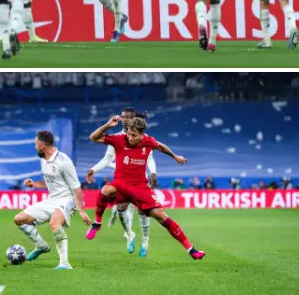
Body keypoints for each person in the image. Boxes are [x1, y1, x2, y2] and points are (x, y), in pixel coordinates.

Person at [86, 116, 205, 260]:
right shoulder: (119, 140)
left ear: (142, 134)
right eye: (129, 133)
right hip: (121, 185)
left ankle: (190, 249)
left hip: (140, 187)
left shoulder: (148, 142)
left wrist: (175, 157)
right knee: (106, 190)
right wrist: (108, 125)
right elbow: (93, 137)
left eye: (134, 135)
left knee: (161, 216)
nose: (130, 137)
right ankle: (97, 223)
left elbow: (161, 146)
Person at [12, 130, 91, 270]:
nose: (35, 147)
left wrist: (82, 211)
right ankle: (41, 246)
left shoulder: (64, 162)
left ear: (42, 146)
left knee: (55, 223)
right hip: (52, 200)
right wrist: (34, 184)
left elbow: (77, 188)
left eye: (36, 144)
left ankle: (64, 263)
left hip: (67, 199)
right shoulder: (44, 160)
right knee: (19, 219)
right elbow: (50, 181)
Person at [86, 107, 158, 257]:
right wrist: (94, 169)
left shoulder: (144, 138)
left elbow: (150, 158)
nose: (124, 120)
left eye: (128, 117)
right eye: (123, 117)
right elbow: (107, 159)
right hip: (122, 180)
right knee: (120, 208)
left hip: (140, 180)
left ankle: (145, 241)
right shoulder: (116, 138)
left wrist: (153, 172)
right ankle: (129, 234)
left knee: (143, 211)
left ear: (134, 120)